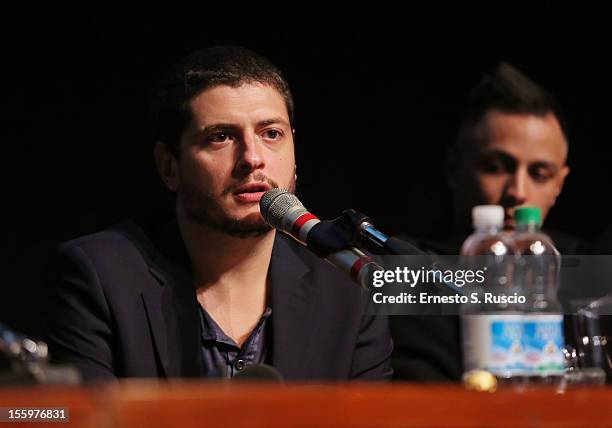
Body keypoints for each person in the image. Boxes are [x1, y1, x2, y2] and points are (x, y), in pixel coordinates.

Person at [43, 46, 393, 381]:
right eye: (221, 137)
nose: (252, 158)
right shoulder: (98, 277)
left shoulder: (349, 286)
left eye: (271, 134)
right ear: (169, 167)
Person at [392, 62, 576, 381]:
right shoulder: (406, 273)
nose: (518, 192)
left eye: (539, 174)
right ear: (454, 168)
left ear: (559, 184)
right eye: (496, 167)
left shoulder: (584, 270)